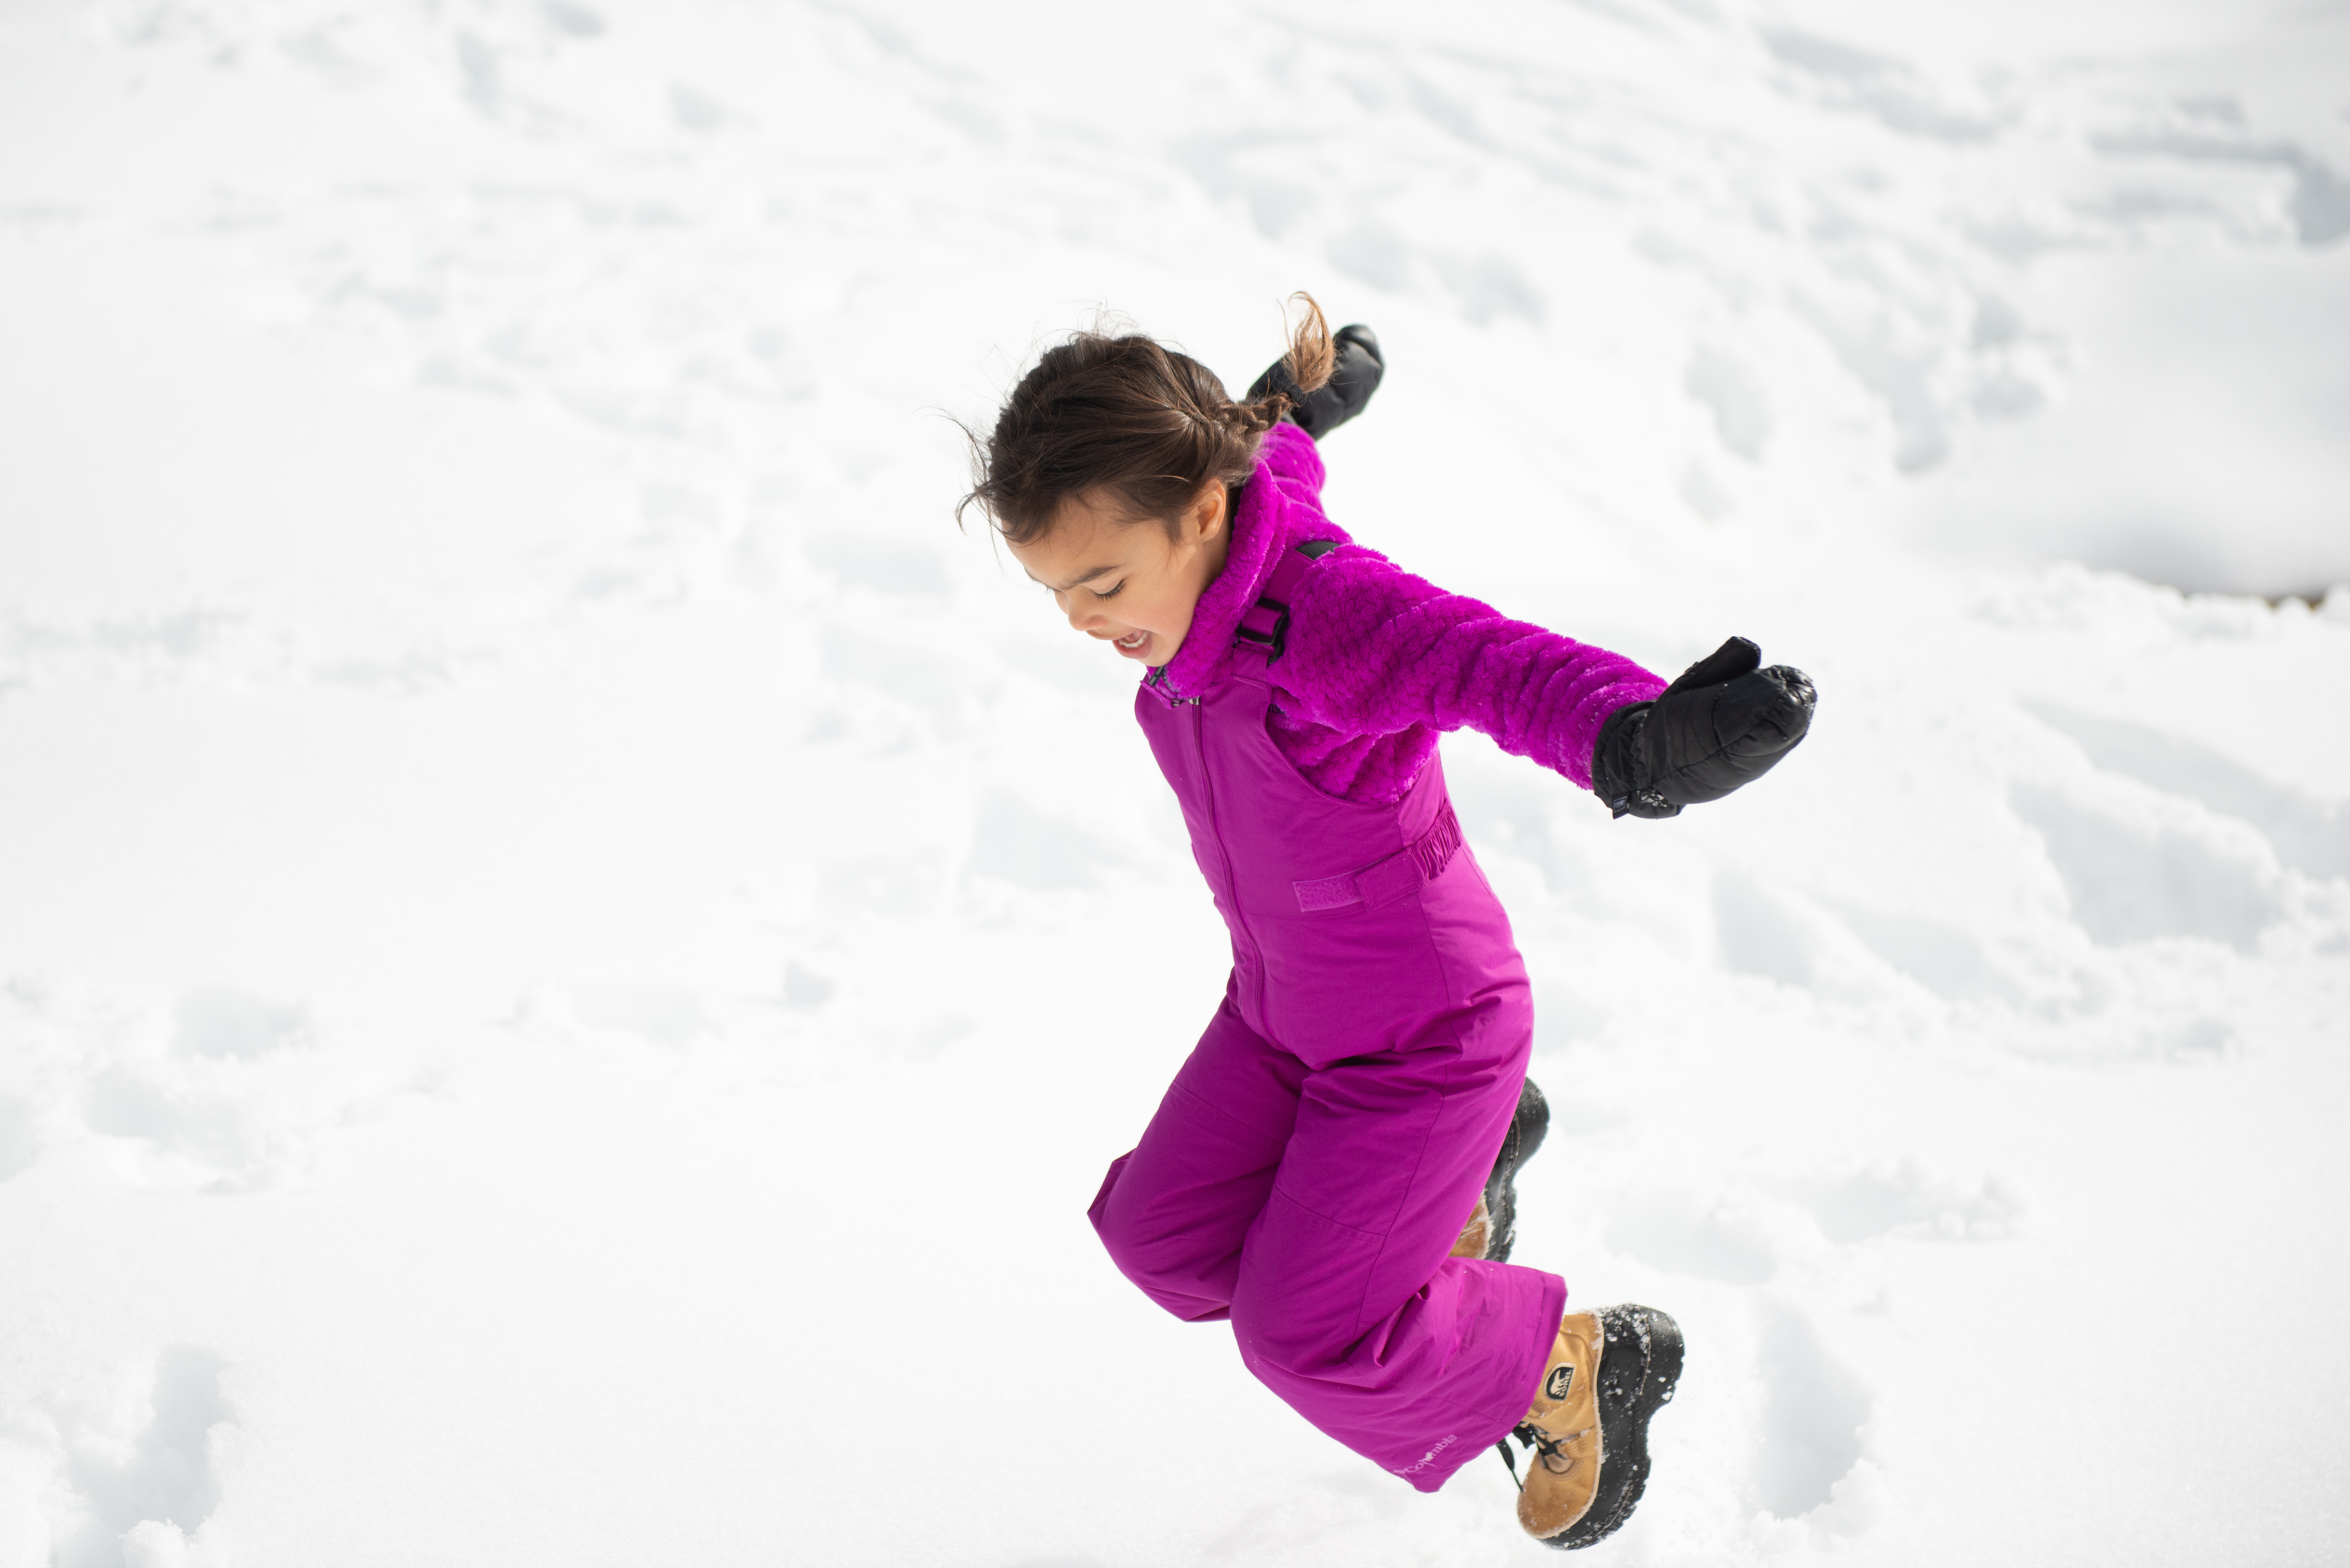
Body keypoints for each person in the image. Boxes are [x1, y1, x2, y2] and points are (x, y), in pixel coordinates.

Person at [958, 296, 1815, 1548]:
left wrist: (1635, 738)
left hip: (1426, 1036)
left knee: (1304, 1335)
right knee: (1165, 1241)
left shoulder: (1326, 614)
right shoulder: (1216, 528)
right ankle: (1447, 1204)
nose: (1084, 621)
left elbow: (1488, 660)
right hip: (1280, 1013)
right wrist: (1289, 409)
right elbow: (1271, 459)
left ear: (1200, 512)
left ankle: (1573, 1368)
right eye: (1056, 592)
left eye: (1100, 581)